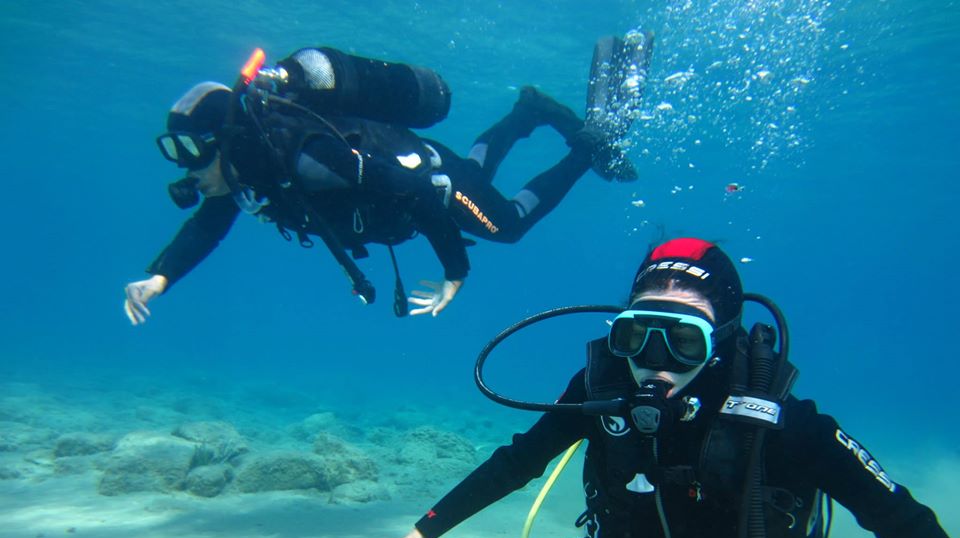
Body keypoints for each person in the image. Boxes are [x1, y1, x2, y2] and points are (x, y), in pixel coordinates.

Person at [339, 237, 960, 538]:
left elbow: (901, 520)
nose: (652, 367)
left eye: (682, 343)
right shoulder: (600, 388)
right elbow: (519, 460)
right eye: (638, 336)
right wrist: (417, 537)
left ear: (719, 342)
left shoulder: (784, 424)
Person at [123, 33, 653, 324]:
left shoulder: (305, 158)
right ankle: (527, 112)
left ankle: (584, 150)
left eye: (194, 155)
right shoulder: (250, 171)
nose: (190, 172)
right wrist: (161, 276)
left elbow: (416, 191)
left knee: (505, 224)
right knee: (475, 173)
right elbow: (209, 222)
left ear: (229, 139)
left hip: (424, 180)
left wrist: (455, 269)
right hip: (418, 185)